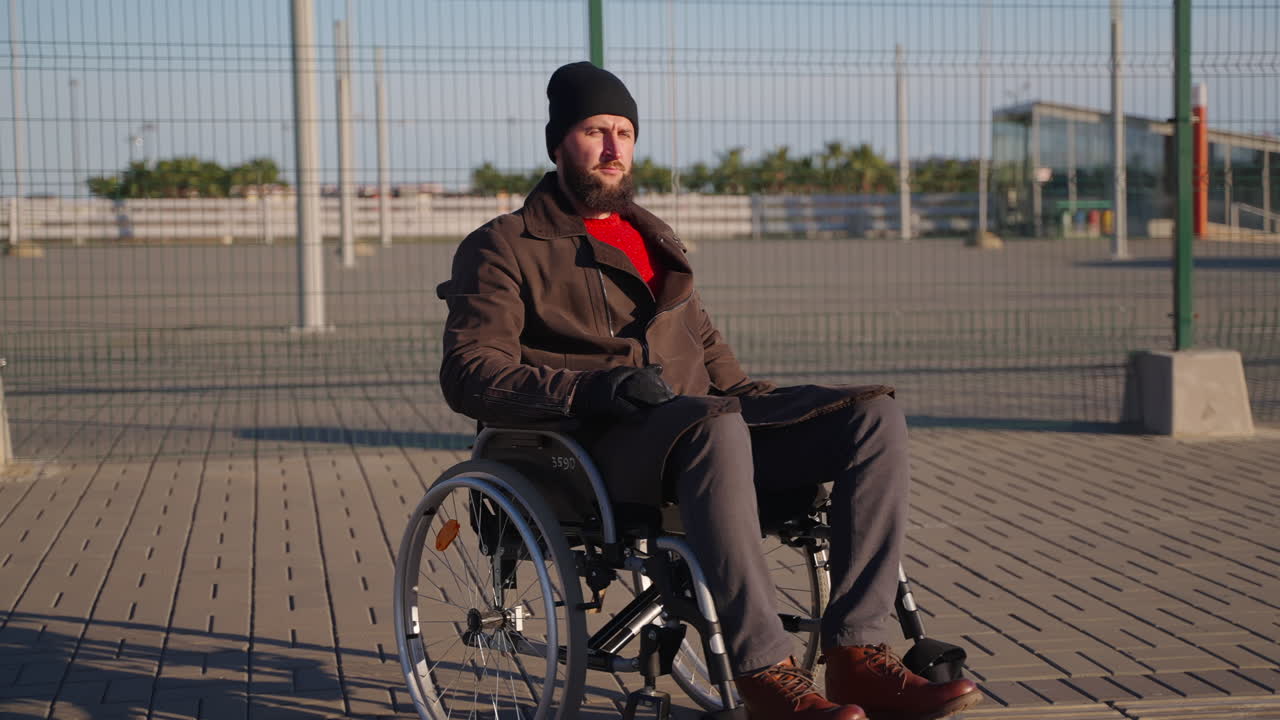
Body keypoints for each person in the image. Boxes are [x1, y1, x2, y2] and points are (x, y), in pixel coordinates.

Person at [438, 61, 982, 720]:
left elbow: (723, 373)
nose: (613, 149)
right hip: (598, 448)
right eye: (594, 131)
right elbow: (471, 373)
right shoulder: (503, 246)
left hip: (699, 431)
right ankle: (765, 674)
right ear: (558, 144)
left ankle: (857, 654)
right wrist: (596, 391)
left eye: (624, 133)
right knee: (715, 425)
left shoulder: (653, 240)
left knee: (873, 418)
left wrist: (798, 412)